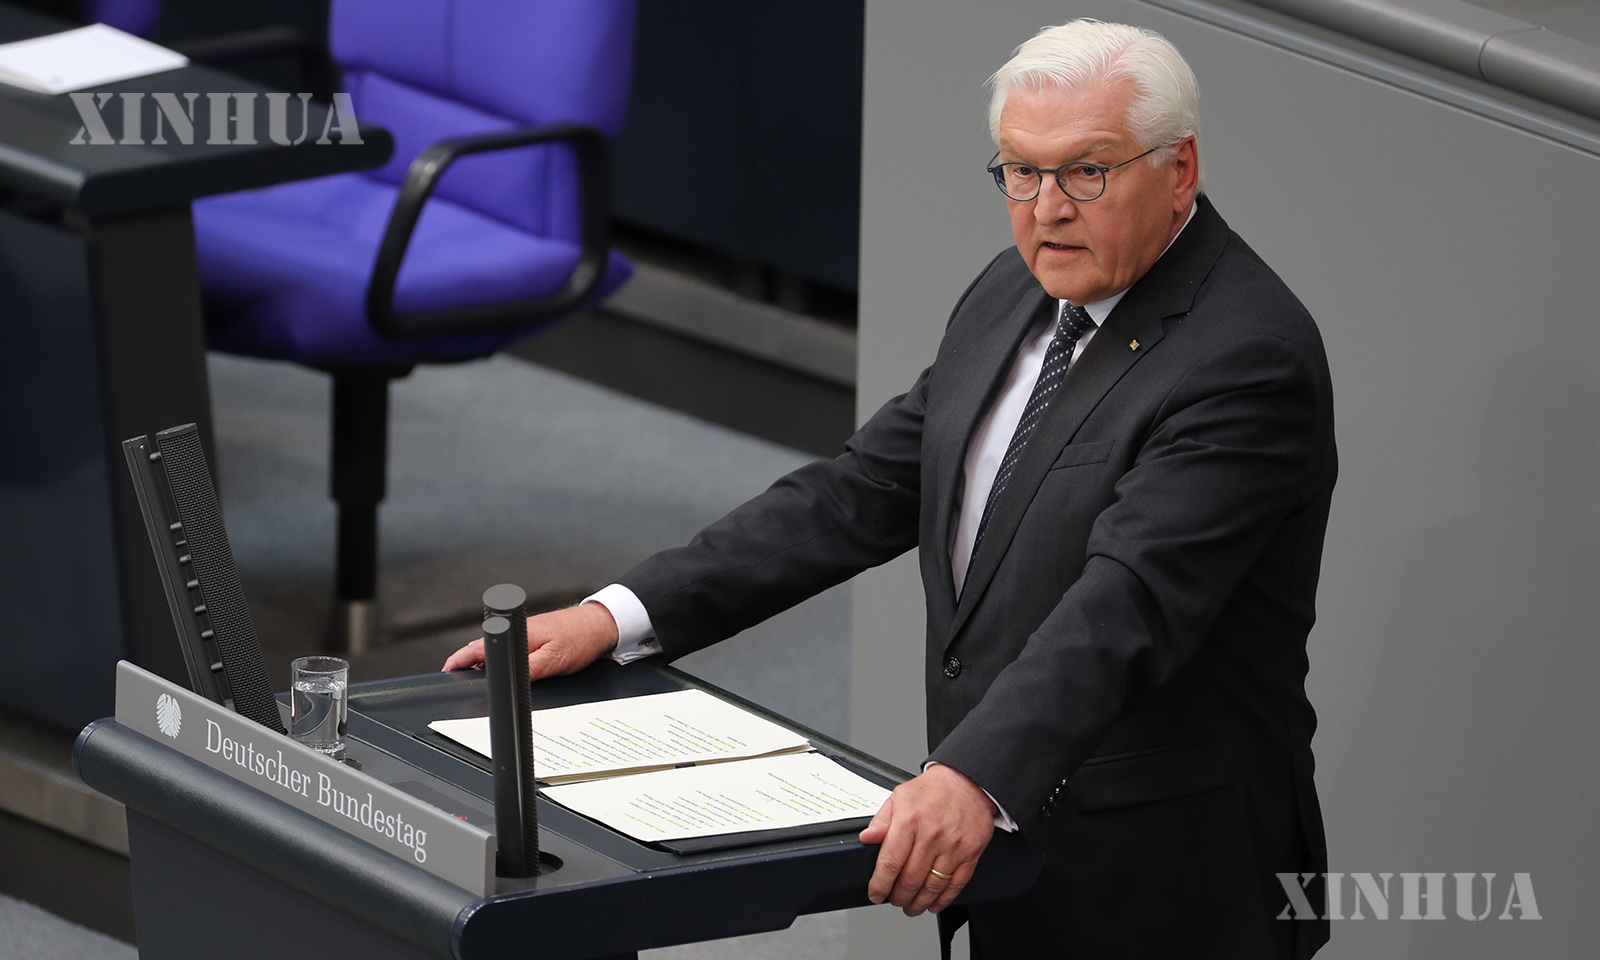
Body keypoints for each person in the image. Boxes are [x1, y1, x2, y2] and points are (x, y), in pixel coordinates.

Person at [446, 19, 1333, 960]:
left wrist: (973, 776)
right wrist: (620, 614)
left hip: (1163, 874)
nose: (1047, 210)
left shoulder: (1244, 358)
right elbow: (861, 491)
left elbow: (1126, 606)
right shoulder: (1015, 291)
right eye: (1021, 171)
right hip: (1016, 836)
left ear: (1179, 169)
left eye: (1086, 172)